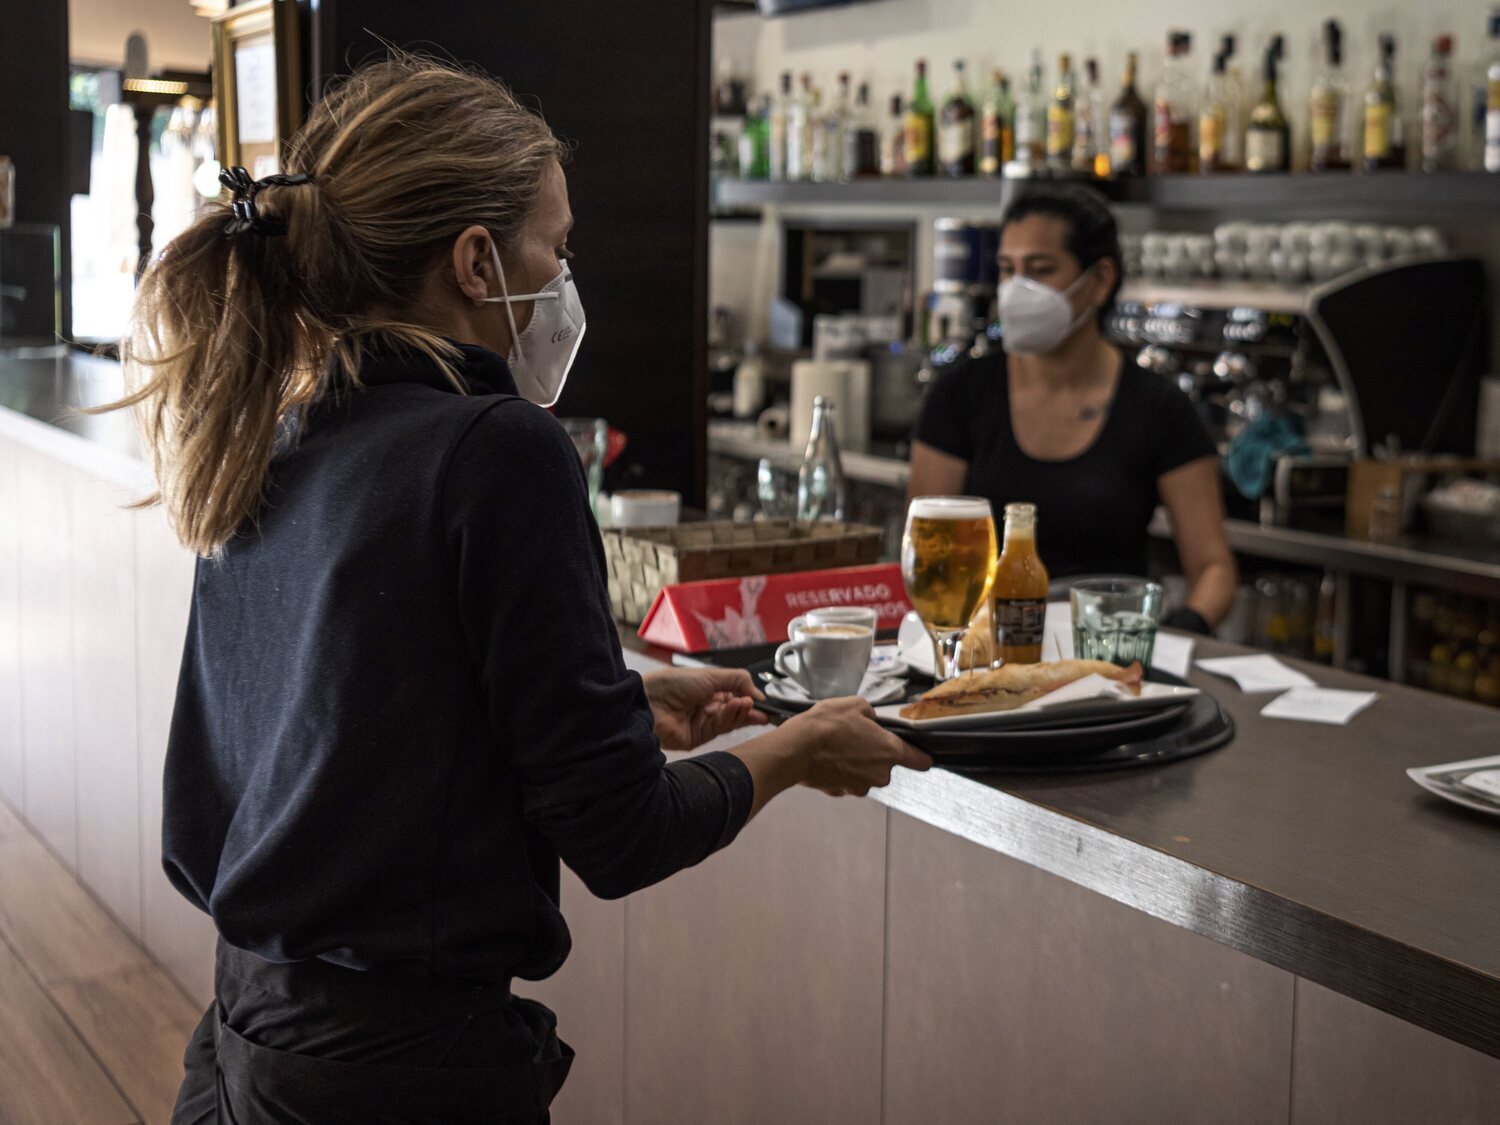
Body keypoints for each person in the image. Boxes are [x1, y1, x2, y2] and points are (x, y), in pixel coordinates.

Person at [117, 55, 928, 1124]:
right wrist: (799, 747)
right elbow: (624, 837)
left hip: (244, 1043)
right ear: (475, 260)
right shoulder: (501, 448)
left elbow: (338, 732)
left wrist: (608, 709)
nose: (564, 276)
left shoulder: (275, 430)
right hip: (398, 1083)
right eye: (557, 246)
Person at [908, 184, 1237, 633]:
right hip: (985, 654)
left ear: (1100, 280)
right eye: (1008, 270)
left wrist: (1181, 632)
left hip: (1107, 654)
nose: (1017, 289)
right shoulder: (961, 394)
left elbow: (1214, 568)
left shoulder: (1157, 406)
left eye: (1040, 270)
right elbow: (929, 553)